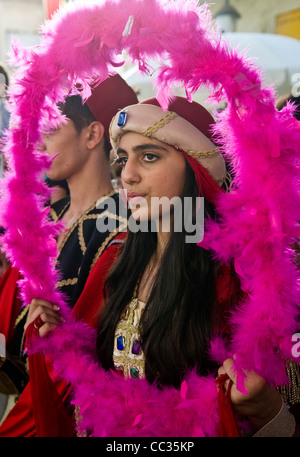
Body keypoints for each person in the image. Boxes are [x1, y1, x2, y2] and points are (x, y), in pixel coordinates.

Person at [23, 97, 299, 437]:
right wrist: (58, 339)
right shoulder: (115, 255)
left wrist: (267, 411)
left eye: (149, 157)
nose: (128, 175)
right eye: (123, 159)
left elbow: (287, 418)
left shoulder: (243, 277)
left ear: (194, 167)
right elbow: (87, 383)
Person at [0, 74, 138, 436]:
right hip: (28, 397)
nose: (38, 142)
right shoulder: (52, 219)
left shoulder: (120, 224)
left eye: (50, 128)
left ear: (93, 135)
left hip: (76, 411)